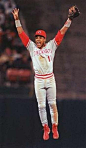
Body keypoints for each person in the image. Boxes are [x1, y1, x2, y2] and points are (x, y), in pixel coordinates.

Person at [12, 6, 80, 140]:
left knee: (52, 104)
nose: (37, 39)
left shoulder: (51, 46)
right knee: (41, 106)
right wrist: (17, 20)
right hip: (38, 80)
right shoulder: (31, 47)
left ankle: (54, 126)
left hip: (49, 79)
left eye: (40, 37)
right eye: (36, 37)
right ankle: (45, 127)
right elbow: (21, 34)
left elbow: (61, 33)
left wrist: (69, 20)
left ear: (44, 39)